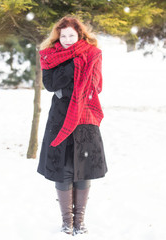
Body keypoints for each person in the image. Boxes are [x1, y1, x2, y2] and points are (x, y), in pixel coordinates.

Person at [37, 16, 108, 235]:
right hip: (60, 118)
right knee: (63, 168)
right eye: (64, 35)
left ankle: (80, 222)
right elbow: (50, 84)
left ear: (80, 35)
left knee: (83, 168)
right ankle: (67, 222)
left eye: (72, 35)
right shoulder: (50, 56)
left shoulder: (92, 54)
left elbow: (96, 85)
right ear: (58, 36)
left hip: (85, 117)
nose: (67, 40)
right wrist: (72, 64)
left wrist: (80, 68)